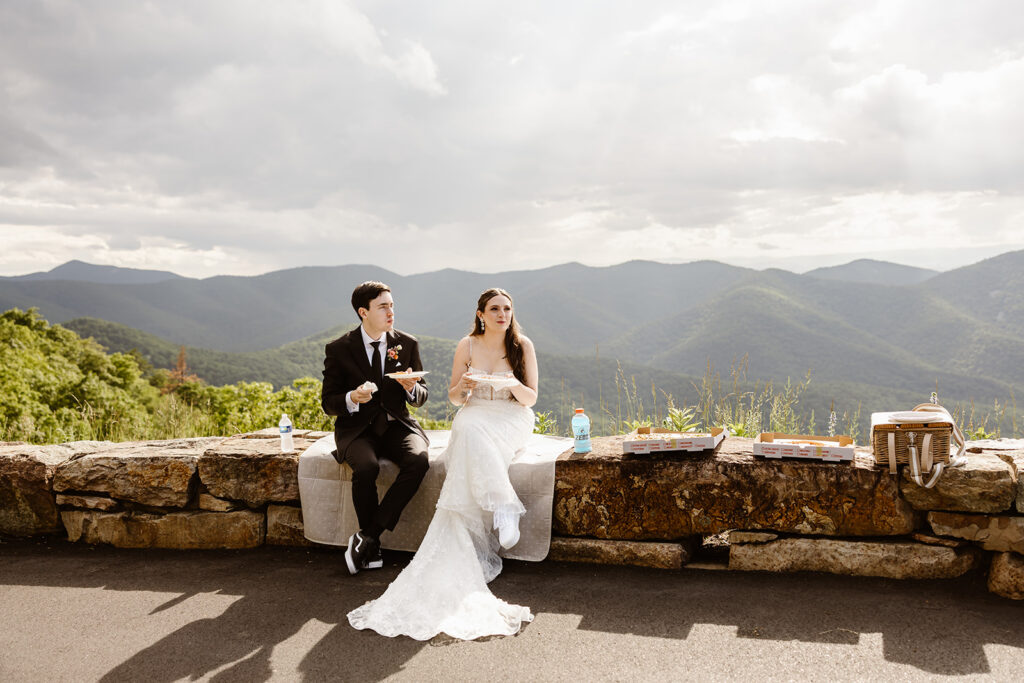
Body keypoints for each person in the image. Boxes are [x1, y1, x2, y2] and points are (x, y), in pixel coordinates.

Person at [347, 287, 539, 641]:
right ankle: (504, 505)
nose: (502, 314)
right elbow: (454, 398)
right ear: (480, 314)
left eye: (507, 309)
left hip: (512, 417)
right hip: (476, 414)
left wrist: (511, 382)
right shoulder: (466, 345)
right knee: (466, 424)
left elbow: (531, 399)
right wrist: (465, 387)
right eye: (494, 309)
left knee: (472, 431)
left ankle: (505, 507)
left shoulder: (521, 345)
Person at [321, 281, 430, 575]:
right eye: (383, 306)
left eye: (392, 305)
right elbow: (328, 402)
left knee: (419, 460)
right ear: (363, 311)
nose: (391, 311)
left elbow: (421, 396)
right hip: (357, 429)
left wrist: (411, 389)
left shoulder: (407, 344)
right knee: (366, 468)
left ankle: (369, 536)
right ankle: (371, 544)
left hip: (398, 425)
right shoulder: (339, 349)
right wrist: (351, 398)